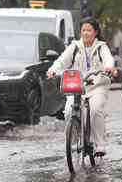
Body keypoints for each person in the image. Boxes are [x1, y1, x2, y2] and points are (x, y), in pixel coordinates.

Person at [47, 19, 114, 156]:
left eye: (89, 30)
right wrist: (53, 70)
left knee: (95, 110)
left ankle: (100, 144)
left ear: (95, 32)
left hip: (97, 85)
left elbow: (108, 59)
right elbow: (62, 60)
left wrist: (108, 68)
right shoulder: (75, 46)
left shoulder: (102, 47)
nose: (86, 33)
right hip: (77, 85)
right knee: (67, 112)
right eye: (83, 30)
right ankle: (75, 137)